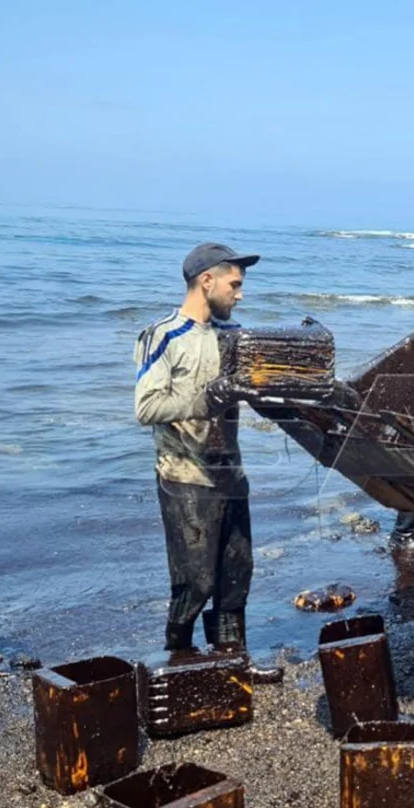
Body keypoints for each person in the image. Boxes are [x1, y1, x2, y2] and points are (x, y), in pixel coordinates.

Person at [133, 242, 282, 683]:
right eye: (235, 284)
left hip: (230, 473)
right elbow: (145, 407)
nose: (240, 294)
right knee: (196, 581)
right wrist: (205, 398)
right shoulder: (162, 335)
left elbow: (259, 392)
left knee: (237, 573)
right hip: (183, 475)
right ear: (206, 281)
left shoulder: (235, 335)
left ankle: (233, 659)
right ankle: (179, 656)